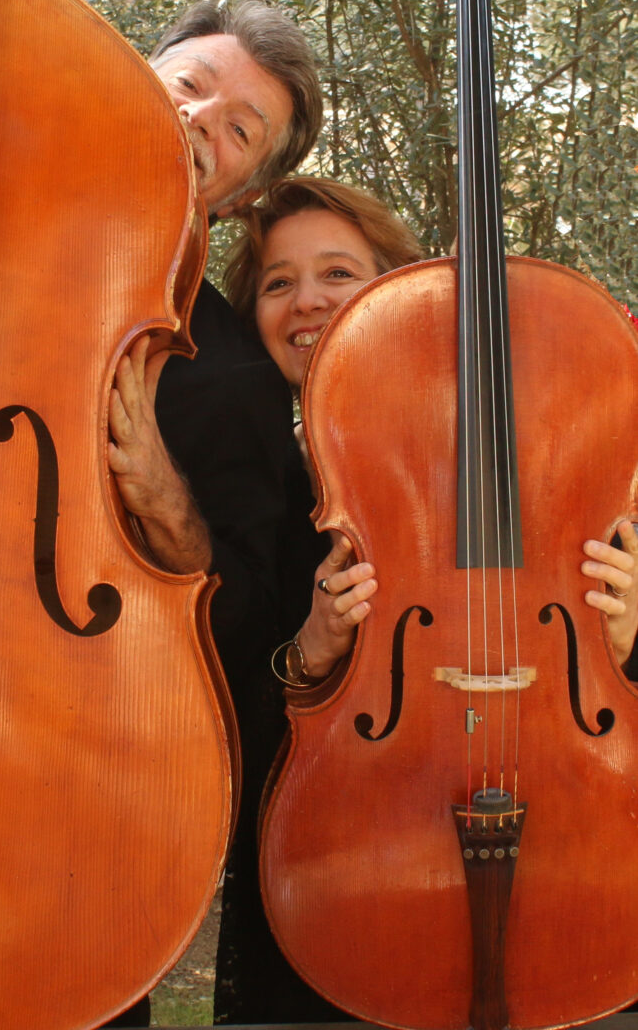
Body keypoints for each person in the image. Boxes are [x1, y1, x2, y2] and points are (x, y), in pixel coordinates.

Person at [212, 174, 638, 1023]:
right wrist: (310, 656)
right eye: (276, 282)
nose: (308, 302)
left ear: (394, 290)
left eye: (339, 272)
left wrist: (627, 637)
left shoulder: (538, 450)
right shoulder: (241, 481)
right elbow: (220, 729)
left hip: (570, 813)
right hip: (342, 862)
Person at [104, 0, 323, 1027]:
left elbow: (241, 625)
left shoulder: (227, 376)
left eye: (239, 129)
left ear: (238, 193)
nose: (200, 121)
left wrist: (166, 506)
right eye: (188, 85)